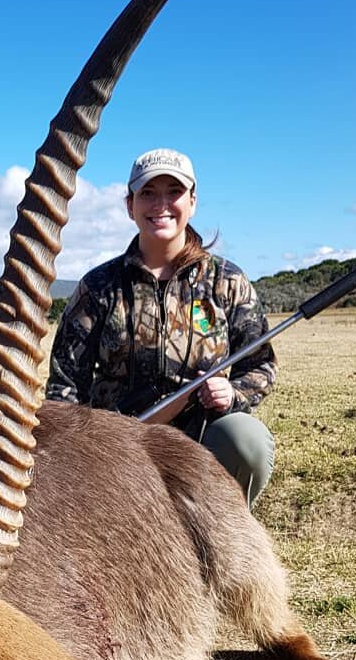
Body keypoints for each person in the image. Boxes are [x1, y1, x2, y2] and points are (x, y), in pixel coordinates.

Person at [45, 148, 276, 505]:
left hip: (202, 435)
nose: (161, 204)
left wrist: (233, 395)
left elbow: (260, 364)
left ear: (193, 201)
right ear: (130, 205)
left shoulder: (227, 281)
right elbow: (65, 386)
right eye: (148, 193)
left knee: (245, 441)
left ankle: (228, 537)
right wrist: (80, 447)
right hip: (117, 444)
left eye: (174, 192)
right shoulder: (98, 286)